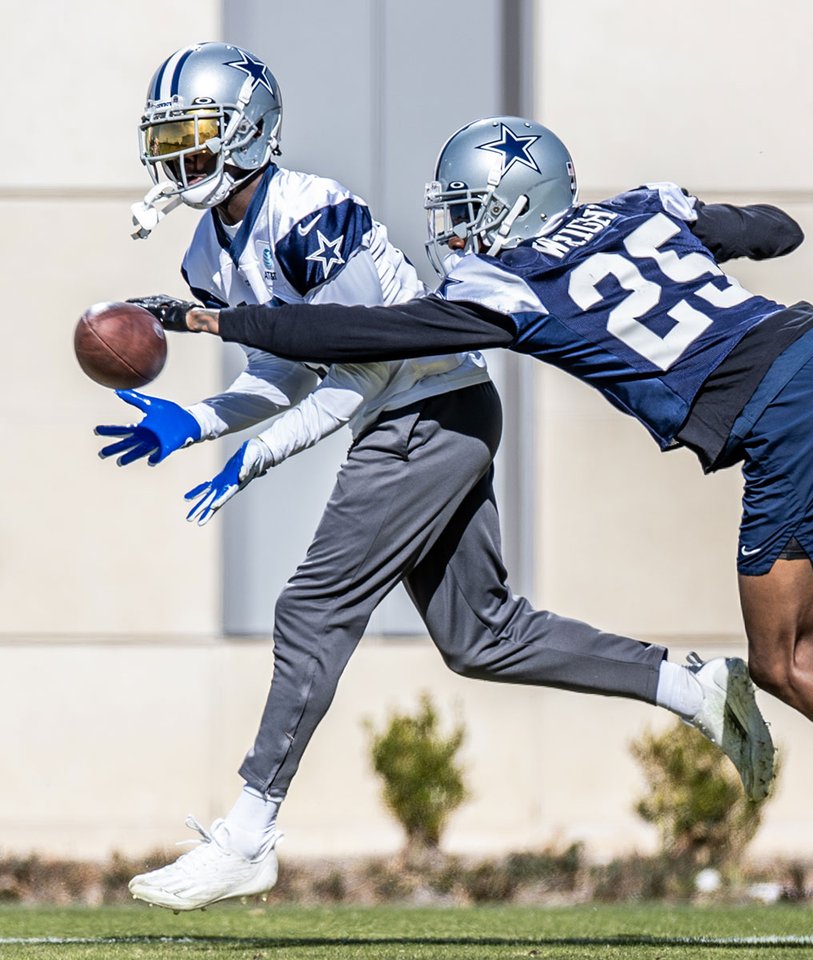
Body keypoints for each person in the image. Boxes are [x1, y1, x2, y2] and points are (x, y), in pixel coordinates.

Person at [172, 115, 813, 950]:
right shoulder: (642, 206)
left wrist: (216, 321)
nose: (452, 228)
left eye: (466, 209)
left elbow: (365, 337)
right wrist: (698, 236)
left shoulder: (510, 286)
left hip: (786, 414)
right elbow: (776, 230)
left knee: (787, 662)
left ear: (515, 205)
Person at [103, 54, 774, 913]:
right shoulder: (209, 250)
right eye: (168, 138)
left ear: (249, 130)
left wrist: (257, 456)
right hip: (429, 413)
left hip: (424, 406)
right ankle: (692, 686)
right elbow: (289, 370)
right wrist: (196, 420)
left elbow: (367, 370)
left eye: (194, 135)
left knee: (310, 609)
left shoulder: (312, 215)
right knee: (481, 634)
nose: (178, 157)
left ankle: (247, 834)